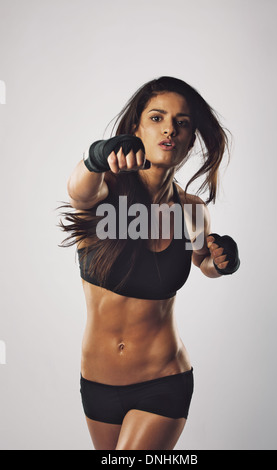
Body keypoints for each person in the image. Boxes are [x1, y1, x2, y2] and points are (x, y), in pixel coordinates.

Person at [57, 76, 240, 450]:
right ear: (136, 127)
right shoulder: (105, 191)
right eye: (157, 117)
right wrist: (96, 156)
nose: (170, 128)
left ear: (191, 138)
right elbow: (79, 188)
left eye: (182, 122)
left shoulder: (191, 210)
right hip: (97, 385)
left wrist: (222, 263)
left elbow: (200, 260)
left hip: (164, 379)